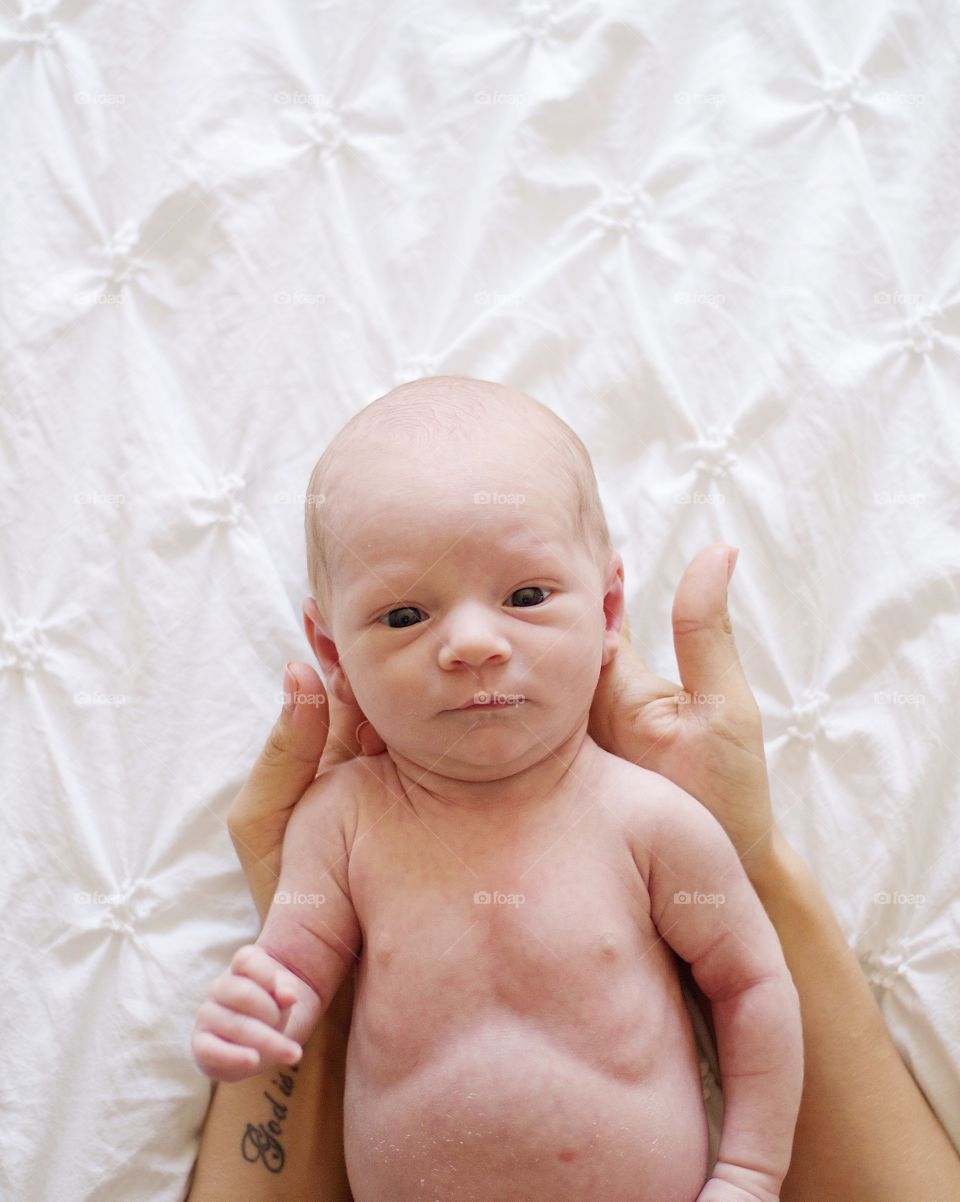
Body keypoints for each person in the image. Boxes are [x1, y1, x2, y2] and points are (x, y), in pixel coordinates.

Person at [186, 419, 960, 1202]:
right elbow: (290, 971)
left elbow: (753, 986)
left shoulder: (650, 820)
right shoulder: (341, 823)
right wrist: (251, 1015)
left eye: (525, 596)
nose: (472, 643)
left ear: (610, 605)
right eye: (403, 616)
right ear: (328, 647)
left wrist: (750, 1174)